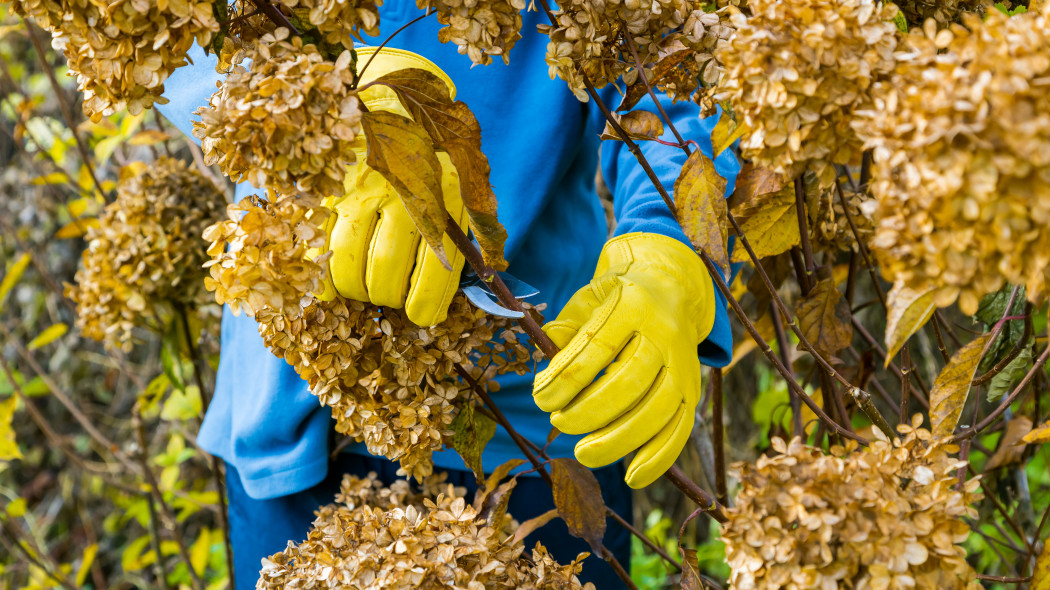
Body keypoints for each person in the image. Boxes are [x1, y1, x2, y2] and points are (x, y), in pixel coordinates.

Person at [158, 4, 740, 588]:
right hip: (293, 422)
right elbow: (168, 31)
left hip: (536, 422)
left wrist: (669, 246)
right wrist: (315, 112)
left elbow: (672, 64)